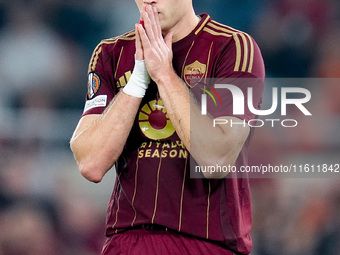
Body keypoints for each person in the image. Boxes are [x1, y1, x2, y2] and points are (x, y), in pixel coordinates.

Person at [70, 0, 265, 254]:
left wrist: (164, 74)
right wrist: (137, 80)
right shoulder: (110, 54)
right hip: (128, 242)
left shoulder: (233, 48)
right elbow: (90, 163)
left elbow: (217, 158)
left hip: (206, 244)